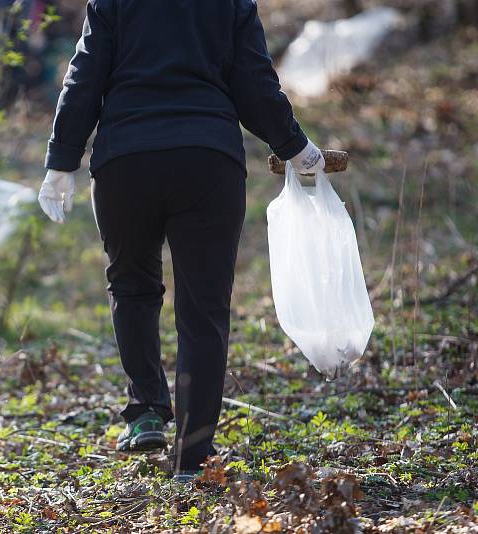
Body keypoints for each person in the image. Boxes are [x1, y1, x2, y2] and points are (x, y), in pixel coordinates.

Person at [37, 0, 325, 481]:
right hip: (206, 160)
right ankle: (192, 460)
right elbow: (253, 81)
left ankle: (147, 407)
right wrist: (296, 146)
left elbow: (84, 75)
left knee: (131, 286)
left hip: (126, 162)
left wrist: (61, 161)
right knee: (203, 311)